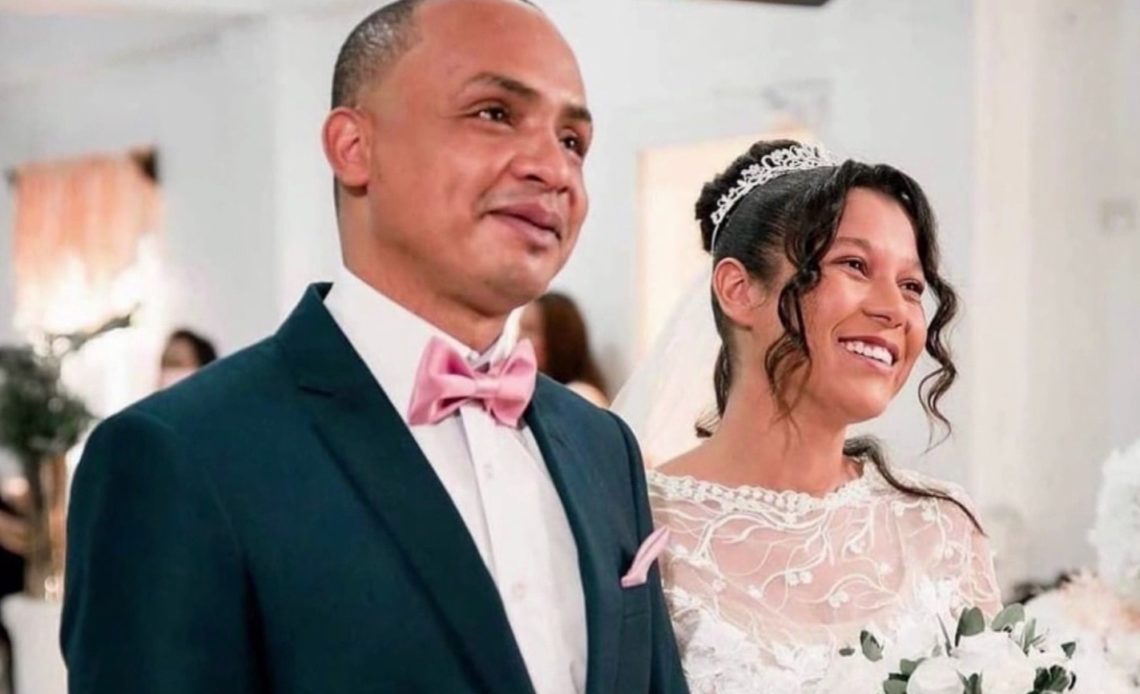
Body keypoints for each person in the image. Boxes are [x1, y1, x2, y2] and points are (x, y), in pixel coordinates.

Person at [62, 1, 687, 693]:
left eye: (573, 141)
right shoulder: (180, 455)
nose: (553, 168)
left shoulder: (603, 446)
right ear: (355, 147)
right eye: (494, 113)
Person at [614, 139, 1002, 692]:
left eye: (911, 286)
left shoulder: (942, 528)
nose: (894, 310)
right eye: (854, 265)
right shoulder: (642, 529)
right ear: (739, 289)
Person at [519, 292, 609, 407]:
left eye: (529, 329)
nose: (518, 337)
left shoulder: (582, 396)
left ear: (557, 340)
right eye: (520, 328)